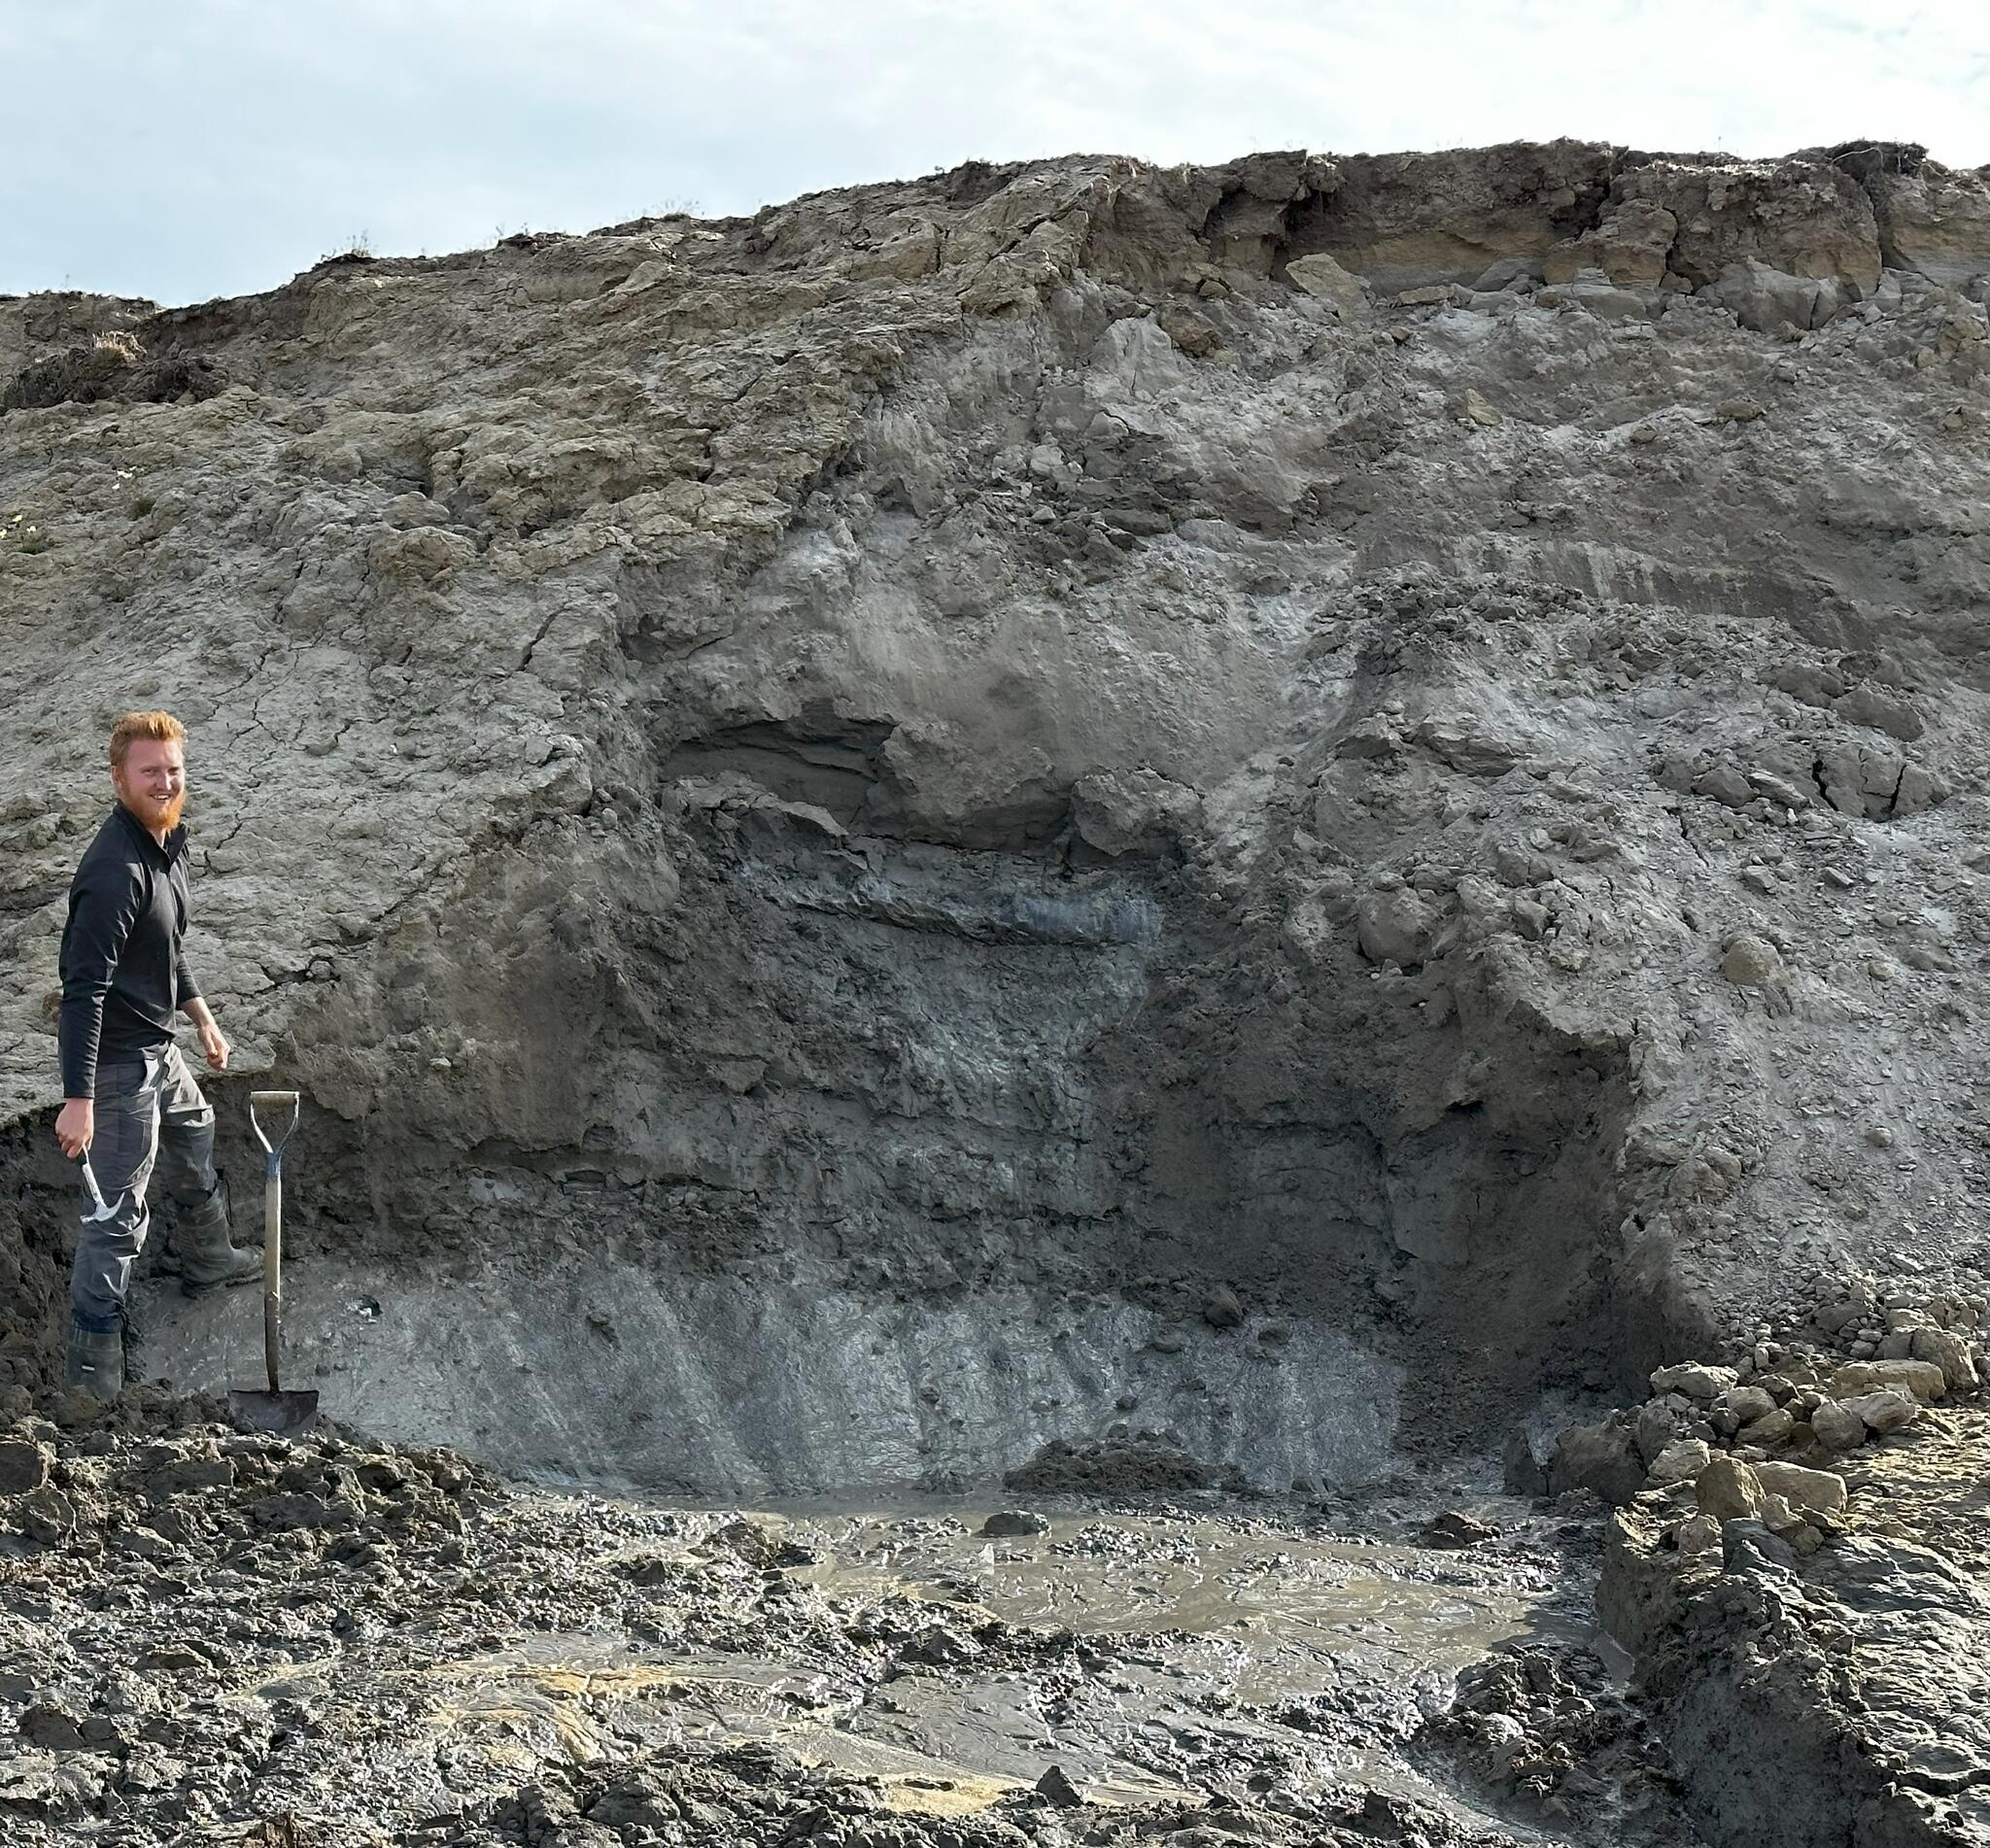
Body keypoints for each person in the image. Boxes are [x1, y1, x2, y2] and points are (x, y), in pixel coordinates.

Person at [52, 711, 260, 1401]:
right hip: (115, 1066)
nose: (165, 781)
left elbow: (166, 950)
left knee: (195, 1127)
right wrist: (79, 1101)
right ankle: (91, 1379)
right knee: (116, 1217)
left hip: (156, 1045)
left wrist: (200, 1017)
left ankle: (208, 1257)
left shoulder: (167, 843)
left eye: (173, 769)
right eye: (150, 772)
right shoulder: (113, 872)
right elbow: (82, 992)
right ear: (120, 780)